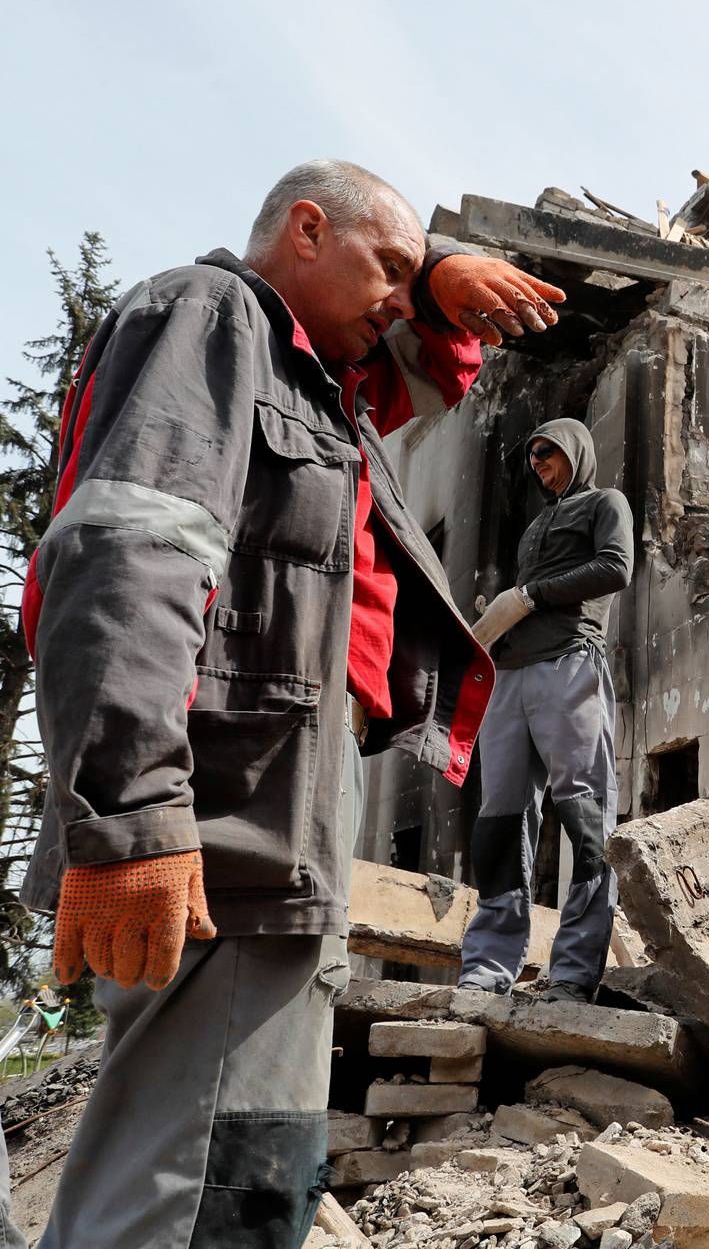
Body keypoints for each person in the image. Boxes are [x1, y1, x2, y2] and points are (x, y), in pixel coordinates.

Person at [17, 158, 564, 1248]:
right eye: (388, 269)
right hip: (213, 832)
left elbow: (413, 366)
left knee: (249, 1182)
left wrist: (438, 270)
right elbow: (132, 553)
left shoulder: (319, 383)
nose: (401, 302)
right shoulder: (215, 316)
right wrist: (131, 817)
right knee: (183, 1192)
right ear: (305, 231)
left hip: (282, 831)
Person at [458, 417, 634, 1004]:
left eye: (549, 453)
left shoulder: (605, 503)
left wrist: (532, 594)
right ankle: (487, 968)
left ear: (577, 453)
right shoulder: (534, 526)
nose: (538, 463)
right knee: (500, 822)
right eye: (533, 455)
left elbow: (616, 568)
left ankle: (573, 974)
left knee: (585, 819)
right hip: (510, 677)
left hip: (571, 665)